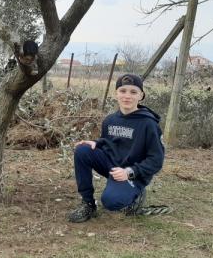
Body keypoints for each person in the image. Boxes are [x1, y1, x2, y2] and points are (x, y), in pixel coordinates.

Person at [67, 73, 165, 223]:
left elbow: (156, 160)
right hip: (113, 167)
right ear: (116, 94)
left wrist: (130, 172)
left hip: (133, 174)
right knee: (82, 150)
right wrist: (97, 143)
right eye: (123, 91)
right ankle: (88, 204)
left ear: (141, 96)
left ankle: (135, 196)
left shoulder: (148, 124)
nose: (127, 96)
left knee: (111, 202)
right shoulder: (110, 120)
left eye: (133, 92)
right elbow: (110, 142)